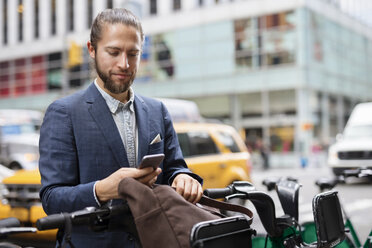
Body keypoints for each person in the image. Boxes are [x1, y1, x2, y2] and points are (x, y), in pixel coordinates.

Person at [39, 8, 203, 248]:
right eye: (113, 52)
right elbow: (52, 199)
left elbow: (175, 168)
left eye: (133, 54)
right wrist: (101, 190)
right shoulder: (64, 113)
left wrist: (184, 178)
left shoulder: (157, 110)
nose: (124, 64)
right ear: (92, 50)